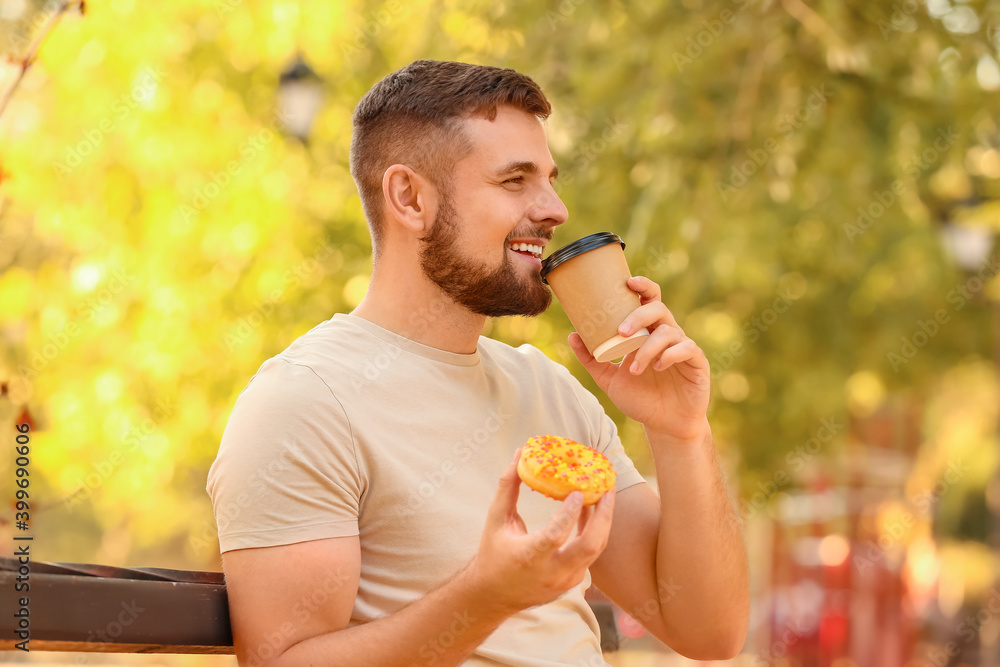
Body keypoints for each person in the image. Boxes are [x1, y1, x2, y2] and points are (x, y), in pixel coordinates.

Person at [207, 59, 749, 666]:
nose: (555, 209)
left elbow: (708, 633)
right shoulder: (305, 401)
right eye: (515, 180)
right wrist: (486, 597)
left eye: (549, 178)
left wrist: (681, 431)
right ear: (409, 197)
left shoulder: (551, 391)